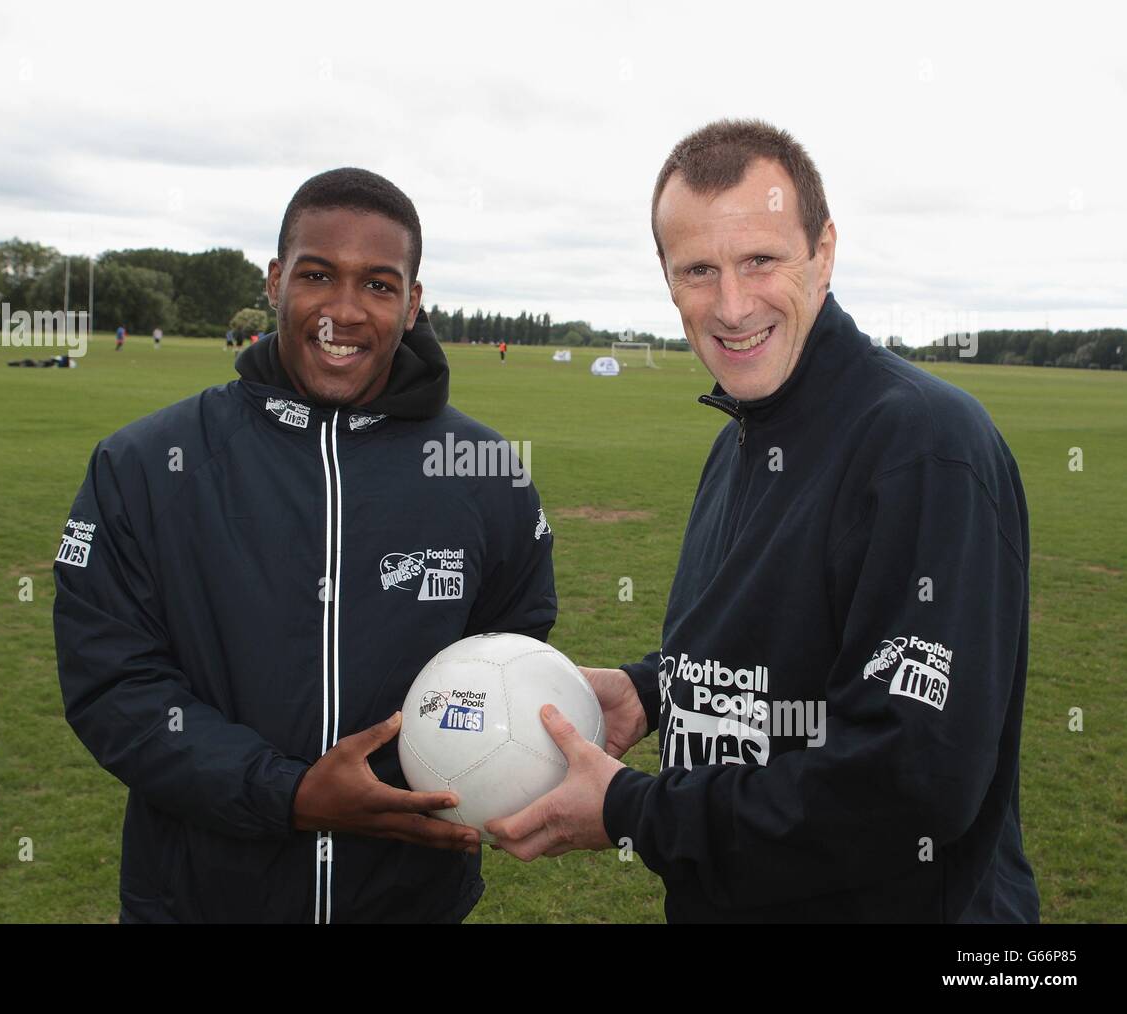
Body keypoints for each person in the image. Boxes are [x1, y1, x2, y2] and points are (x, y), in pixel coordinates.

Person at [488, 118, 1041, 924]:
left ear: (823, 251)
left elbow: (906, 783)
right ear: (667, 279)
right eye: (700, 270)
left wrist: (634, 810)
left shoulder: (923, 445)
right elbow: (777, 652)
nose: (732, 304)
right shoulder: (741, 440)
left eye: (761, 261)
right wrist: (653, 693)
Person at [54, 167, 556, 924]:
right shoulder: (144, 464)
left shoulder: (485, 473)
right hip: (195, 902)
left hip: (408, 901)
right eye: (318, 275)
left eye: (380, 285)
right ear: (275, 280)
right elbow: (113, 685)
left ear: (414, 302)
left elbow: (504, 661)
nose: (343, 312)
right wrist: (284, 794)